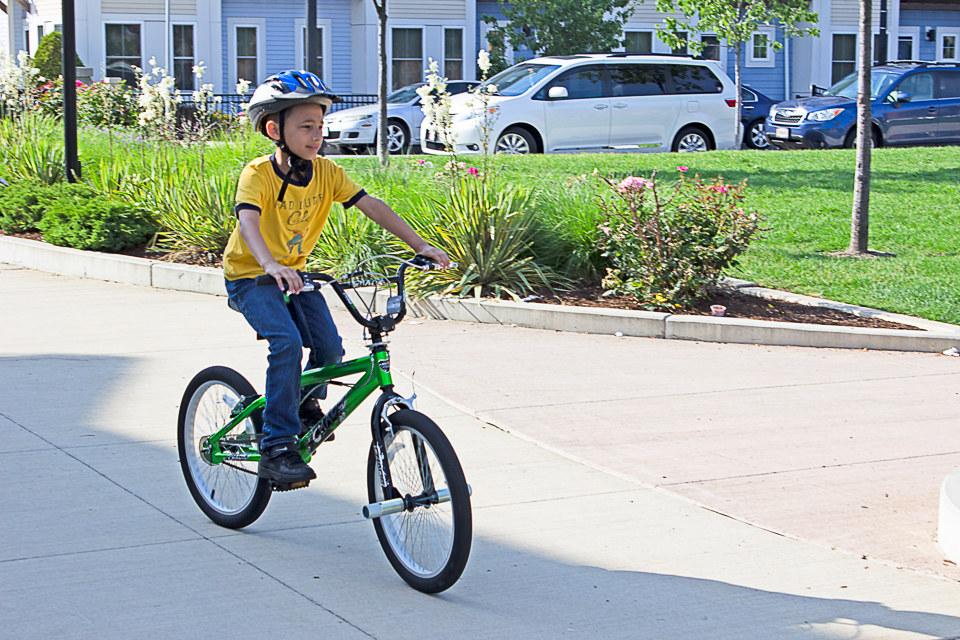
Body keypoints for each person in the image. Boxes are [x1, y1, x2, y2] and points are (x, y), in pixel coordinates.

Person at [222, 70, 449, 487]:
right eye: (305, 126)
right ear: (275, 129)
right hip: (252, 276)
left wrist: (420, 245)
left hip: (296, 275)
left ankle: (302, 405)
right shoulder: (258, 174)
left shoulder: (326, 172)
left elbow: (371, 205)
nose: (316, 135)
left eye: (320, 126)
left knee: (330, 349)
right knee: (287, 343)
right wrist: (271, 264)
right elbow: (249, 223)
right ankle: (276, 447)